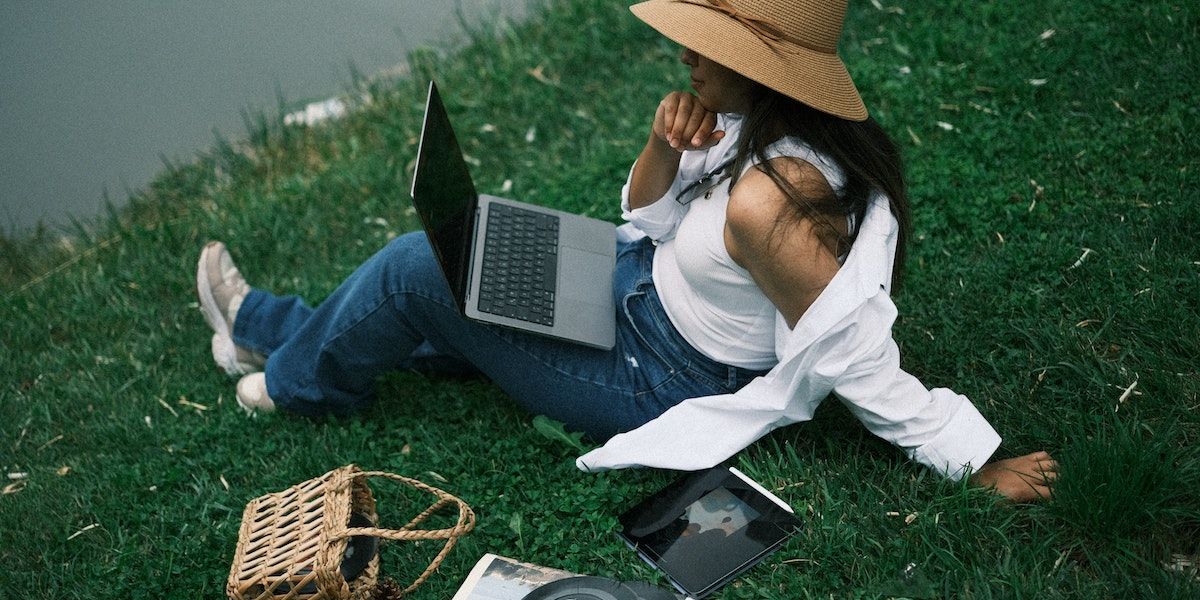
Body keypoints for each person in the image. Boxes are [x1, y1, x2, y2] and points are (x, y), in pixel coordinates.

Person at [196, 0, 1056, 501]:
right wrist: (667, 151)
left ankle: (289, 371)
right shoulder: (755, 129)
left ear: (768, 68)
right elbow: (646, 218)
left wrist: (973, 460)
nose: (687, 52)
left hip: (654, 374)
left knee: (416, 269)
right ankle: (270, 330)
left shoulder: (775, 201)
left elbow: (852, 349)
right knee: (466, 264)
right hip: (631, 283)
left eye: (711, 44)